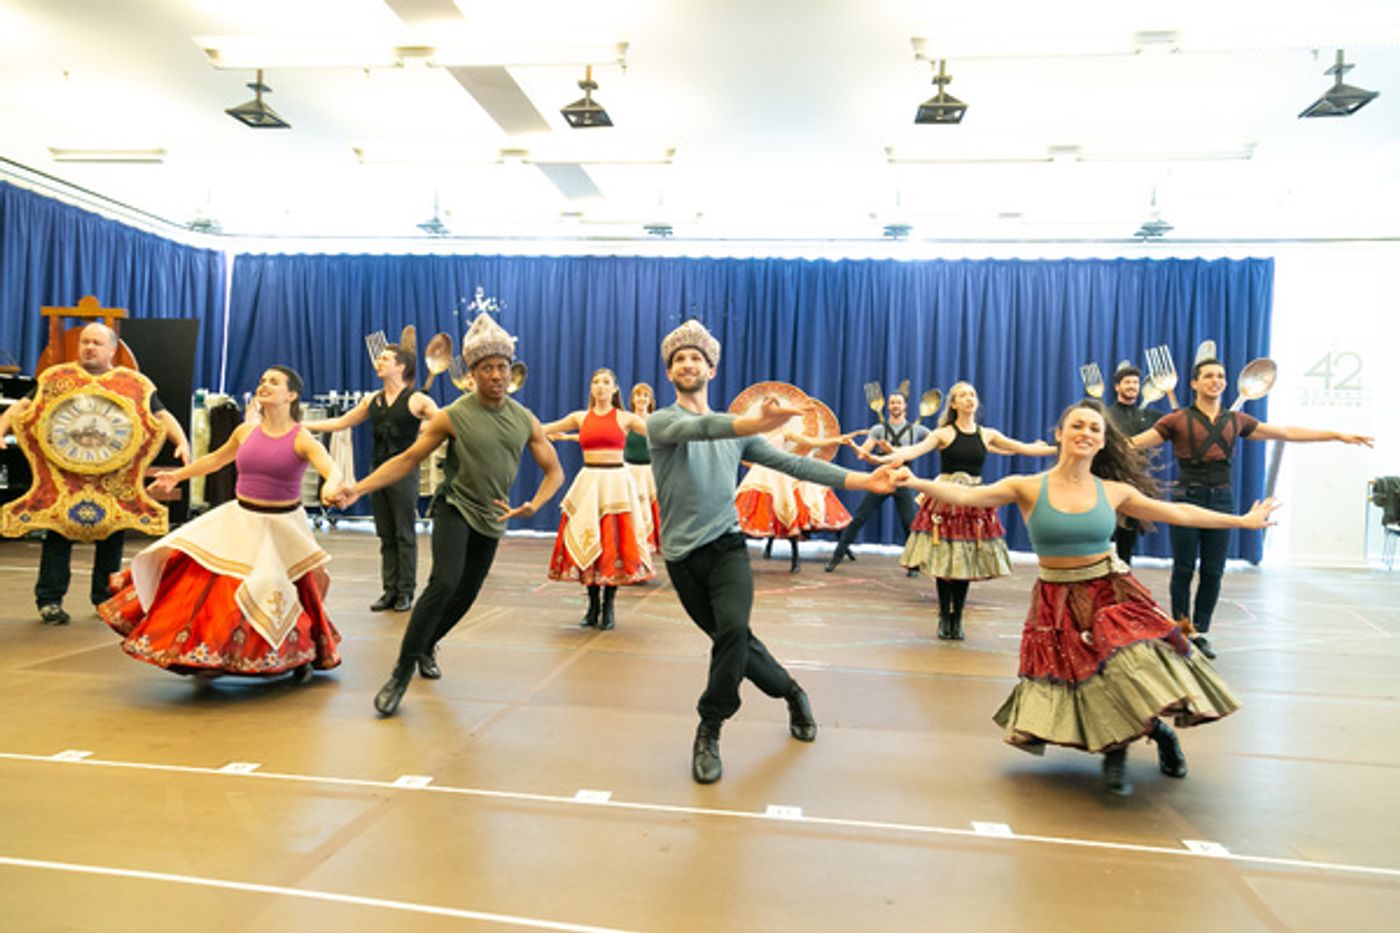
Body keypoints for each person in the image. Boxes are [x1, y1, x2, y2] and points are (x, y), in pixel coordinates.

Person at [895, 399, 1269, 796]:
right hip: (1057, 597)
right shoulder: (1026, 486)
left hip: (1111, 590)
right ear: (1060, 433)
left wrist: (1241, 521)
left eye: (1094, 428)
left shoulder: (1114, 491)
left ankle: (1124, 753)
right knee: (1088, 681)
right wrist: (914, 482)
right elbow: (969, 497)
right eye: (1077, 426)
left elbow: (1179, 514)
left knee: (1126, 669)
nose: (1085, 433)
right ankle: (1154, 733)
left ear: (1103, 441)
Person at [647, 319, 900, 784]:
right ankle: (792, 691)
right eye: (679, 359)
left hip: (725, 546)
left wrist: (865, 480)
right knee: (736, 643)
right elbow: (703, 427)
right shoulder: (662, 422)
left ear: (711, 370)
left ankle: (709, 728)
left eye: (695, 358)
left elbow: (794, 462)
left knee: (732, 631)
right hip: (682, 557)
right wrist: (753, 422)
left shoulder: (739, 433)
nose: (687, 363)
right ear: (669, 373)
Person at [329, 313, 564, 717]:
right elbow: (407, 460)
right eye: (487, 368)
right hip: (455, 507)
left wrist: (536, 504)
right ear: (472, 374)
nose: (495, 374)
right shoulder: (452, 415)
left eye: (502, 367)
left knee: (466, 595)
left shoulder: (524, 420)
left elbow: (554, 470)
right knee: (443, 583)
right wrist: (359, 488)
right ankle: (400, 672)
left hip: (493, 518)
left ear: (511, 372)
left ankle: (427, 644)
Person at [98, 366, 344, 681]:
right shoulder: (245, 432)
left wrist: (330, 486)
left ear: (292, 395)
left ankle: (299, 656)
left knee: (277, 587)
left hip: (283, 527)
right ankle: (208, 654)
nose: (264, 385)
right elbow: (214, 460)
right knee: (210, 582)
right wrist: (176, 475)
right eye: (262, 380)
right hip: (242, 519)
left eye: (274, 382)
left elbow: (331, 469)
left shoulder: (302, 438)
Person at [1130, 358, 1373, 658]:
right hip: (1186, 498)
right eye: (1208, 376)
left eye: (1220, 375)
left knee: (1213, 572)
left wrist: (1336, 435)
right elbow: (1135, 444)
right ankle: (1182, 632)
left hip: (1222, 499)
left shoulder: (1236, 421)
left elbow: (1286, 432)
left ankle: (1201, 631)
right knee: (1182, 569)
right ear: (1194, 383)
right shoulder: (1176, 419)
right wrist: (1091, 445)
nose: (1216, 380)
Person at [0, 323, 191, 625]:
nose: (89, 347)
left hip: (113, 476)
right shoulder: (57, 379)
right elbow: (22, 406)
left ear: (112, 349)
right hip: (63, 475)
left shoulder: (133, 384)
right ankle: (49, 600)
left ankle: (105, 599)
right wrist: (0, 429)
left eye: (96, 343)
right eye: (85, 342)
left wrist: (182, 442)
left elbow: (162, 415)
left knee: (111, 535)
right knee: (58, 532)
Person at [880, 381, 1055, 640]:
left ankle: (957, 617)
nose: (969, 399)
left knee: (964, 562)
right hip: (944, 501)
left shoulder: (987, 434)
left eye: (972, 394)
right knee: (944, 560)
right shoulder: (943, 434)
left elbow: (1024, 448)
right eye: (963, 395)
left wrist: (1062, 448)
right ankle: (944, 615)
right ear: (954, 403)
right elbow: (913, 450)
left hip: (973, 500)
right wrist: (886, 455)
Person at [304, 344, 438, 612]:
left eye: (385, 358)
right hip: (377, 472)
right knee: (386, 534)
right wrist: (302, 426)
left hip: (404, 473)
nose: (378, 362)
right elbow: (341, 422)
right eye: (379, 358)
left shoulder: (418, 400)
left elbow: (445, 423)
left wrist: (424, 427)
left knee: (404, 534)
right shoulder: (372, 400)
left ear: (401, 367)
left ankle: (405, 592)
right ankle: (389, 591)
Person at [541, 368, 654, 631]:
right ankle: (592, 606)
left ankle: (609, 607)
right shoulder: (580, 417)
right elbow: (543, 429)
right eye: (596, 382)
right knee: (587, 535)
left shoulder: (626, 418)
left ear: (615, 389)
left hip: (616, 484)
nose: (600, 387)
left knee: (612, 543)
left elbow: (659, 432)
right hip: (589, 482)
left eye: (606, 383)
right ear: (591, 388)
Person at [825, 390, 930, 573]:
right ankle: (836, 557)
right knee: (859, 518)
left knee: (910, 522)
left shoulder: (918, 431)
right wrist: (854, 447)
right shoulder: (878, 430)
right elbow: (863, 454)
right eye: (892, 403)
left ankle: (913, 564)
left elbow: (936, 443)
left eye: (898, 402)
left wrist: (892, 449)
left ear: (905, 406)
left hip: (903, 480)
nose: (895, 405)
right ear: (888, 406)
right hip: (881, 479)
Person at [735, 425, 860, 573]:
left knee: (786, 512)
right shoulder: (755, 430)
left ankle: (795, 560)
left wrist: (837, 440)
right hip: (759, 474)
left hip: (778, 474)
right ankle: (736, 560)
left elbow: (810, 441)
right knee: (745, 513)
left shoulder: (785, 432)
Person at [1102, 363, 1173, 564]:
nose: (1132, 386)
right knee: (1100, 542)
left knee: (1126, 547)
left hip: (1136, 486)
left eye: (1135, 382)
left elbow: (1180, 421)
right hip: (1107, 484)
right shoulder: (1105, 414)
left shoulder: (1150, 417)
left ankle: (1123, 588)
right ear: (1117, 387)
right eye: (1127, 382)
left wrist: (1170, 392)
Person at [624, 382, 662, 553]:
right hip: (630, 471)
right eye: (638, 395)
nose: (641, 399)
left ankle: (653, 542)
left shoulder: (655, 422)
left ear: (650, 400)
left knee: (651, 508)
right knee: (634, 507)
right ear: (632, 399)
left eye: (645, 395)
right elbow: (604, 435)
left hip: (650, 472)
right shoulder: (626, 420)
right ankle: (635, 541)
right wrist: (566, 437)